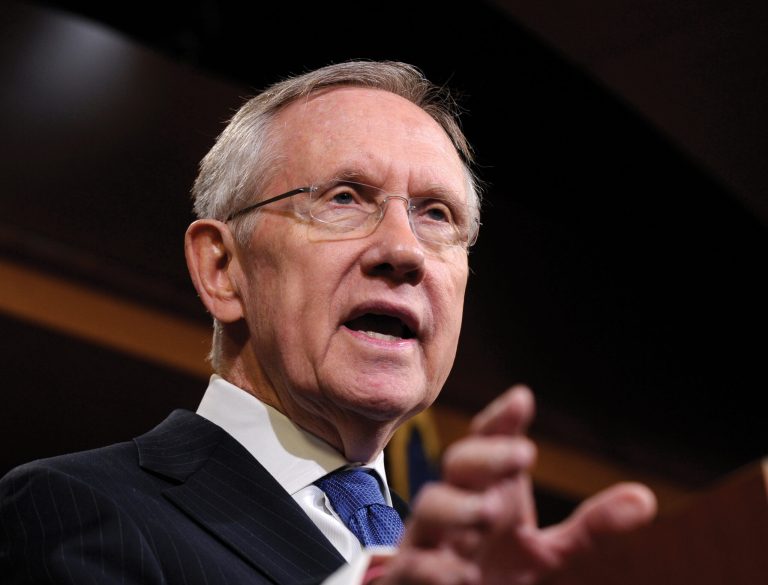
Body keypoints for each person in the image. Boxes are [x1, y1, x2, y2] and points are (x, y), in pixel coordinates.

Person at [0, 60, 656, 584]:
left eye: (436, 214)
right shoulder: (74, 510)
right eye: (344, 198)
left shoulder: (461, 564)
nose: (403, 250)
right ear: (223, 268)